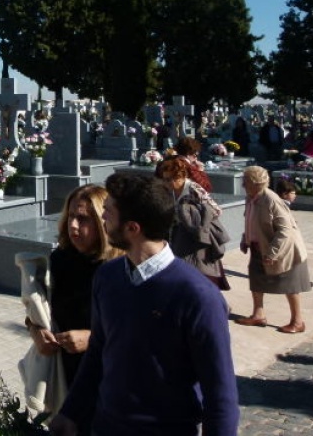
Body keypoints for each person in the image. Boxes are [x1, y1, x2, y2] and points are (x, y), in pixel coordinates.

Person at [49, 172, 239, 436]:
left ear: (132, 228)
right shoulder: (108, 277)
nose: (102, 218)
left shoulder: (197, 296)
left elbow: (220, 395)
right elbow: (97, 354)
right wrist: (70, 412)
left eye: (109, 212)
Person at [21, 185, 124, 426]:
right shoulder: (60, 259)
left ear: (103, 222)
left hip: (108, 377)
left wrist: (91, 338)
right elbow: (37, 314)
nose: (73, 226)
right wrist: (36, 332)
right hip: (64, 375)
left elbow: (138, 330)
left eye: (83, 219)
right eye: (70, 217)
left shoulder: (121, 268)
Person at [235, 166, 312, 334]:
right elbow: (251, 221)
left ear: (255, 183)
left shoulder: (271, 200)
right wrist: (245, 239)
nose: (242, 184)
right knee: (256, 280)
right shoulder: (251, 197)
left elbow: (285, 231)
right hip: (259, 246)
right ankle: (258, 315)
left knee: (289, 284)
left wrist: (272, 253)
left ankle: (298, 322)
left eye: (245, 181)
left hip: (284, 250)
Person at [155, 156, 230, 291]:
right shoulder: (169, 190)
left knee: (200, 273)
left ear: (182, 176)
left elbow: (216, 210)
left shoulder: (193, 188)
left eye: (172, 179)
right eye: (165, 179)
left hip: (196, 239)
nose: (169, 183)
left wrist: (197, 219)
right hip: (178, 236)